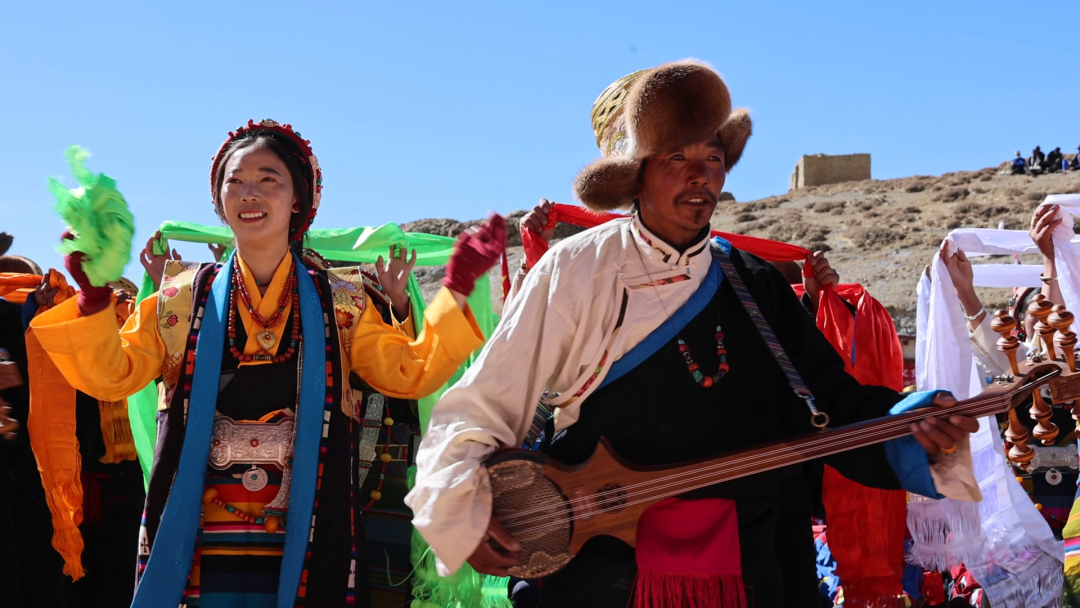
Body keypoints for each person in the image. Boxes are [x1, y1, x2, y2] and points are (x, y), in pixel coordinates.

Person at [406, 61, 979, 608]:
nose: (700, 174)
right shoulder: (576, 270)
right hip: (606, 574)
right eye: (676, 156)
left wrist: (914, 427)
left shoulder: (756, 283)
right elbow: (485, 404)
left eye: (713, 156)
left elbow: (834, 404)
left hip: (751, 567)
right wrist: (467, 509)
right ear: (636, 175)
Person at [30, 119, 505, 607]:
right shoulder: (178, 298)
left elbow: (409, 373)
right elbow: (114, 377)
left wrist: (457, 290)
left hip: (311, 518)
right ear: (219, 201)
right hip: (199, 527)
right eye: (234, 181)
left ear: (298, 199)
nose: (249, 193)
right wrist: (91, 297)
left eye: (268, 179)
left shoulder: (343, 301)